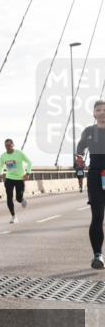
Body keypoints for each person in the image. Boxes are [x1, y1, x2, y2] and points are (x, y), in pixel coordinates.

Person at [75, 99, 105, 270]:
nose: (102, 112)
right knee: (98, 217)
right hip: (95, 176)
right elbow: (80, 148)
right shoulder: (89, 131)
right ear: (94, 114)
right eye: (99, 110)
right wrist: (79, 157)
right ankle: (98, 255)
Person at [0, 139, 32, 223]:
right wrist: (0, 173)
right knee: (9, 198)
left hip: (20, 179)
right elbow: (1, 166)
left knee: (18, 198)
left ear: (13, 145)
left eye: (9, 145)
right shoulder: (3, 156)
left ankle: (22, 199)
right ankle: (13, 217)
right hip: (9, 178)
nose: (8, 147)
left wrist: (27, 173)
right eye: (6, 146)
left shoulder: (19, 153)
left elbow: (29, 162)